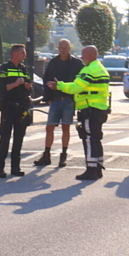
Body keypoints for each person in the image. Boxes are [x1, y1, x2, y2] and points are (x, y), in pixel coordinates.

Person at [48, 45, 110, 181]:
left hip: (90, 109)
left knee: (89, 139)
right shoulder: (100, 68)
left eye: (83, 55)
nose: (81, 57)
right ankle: (98, 167)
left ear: (89, 55)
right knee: (96, 139)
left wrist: (59, 85)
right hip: (99, 108)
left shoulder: (89, 70)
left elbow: (76, 88)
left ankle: (91, 170)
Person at [33, 39, 82, 168]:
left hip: (68, 100)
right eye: (61, 47)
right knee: (49, 127)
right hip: (55, 100)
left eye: (65, 47)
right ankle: (46, 155)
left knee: (66, 127)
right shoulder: (53, 62)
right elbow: (46, 79)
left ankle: (63, 155)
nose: (63, 50)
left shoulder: (76, 63)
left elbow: (80, 82)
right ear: (58, 48)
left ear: (69, 48)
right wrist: (48, 97)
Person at [0, 44, 33, 178]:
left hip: (21, 107)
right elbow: (0, 88)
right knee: (5, 137)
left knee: (19, 138)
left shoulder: (23, 68)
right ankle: (0, 168)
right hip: (8, 107)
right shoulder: (4, 68)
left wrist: (28, 86)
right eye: (22, 53)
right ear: (15, 54)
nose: (25, 55)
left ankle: (15, 167)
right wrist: (15, 84)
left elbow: (29, 84)